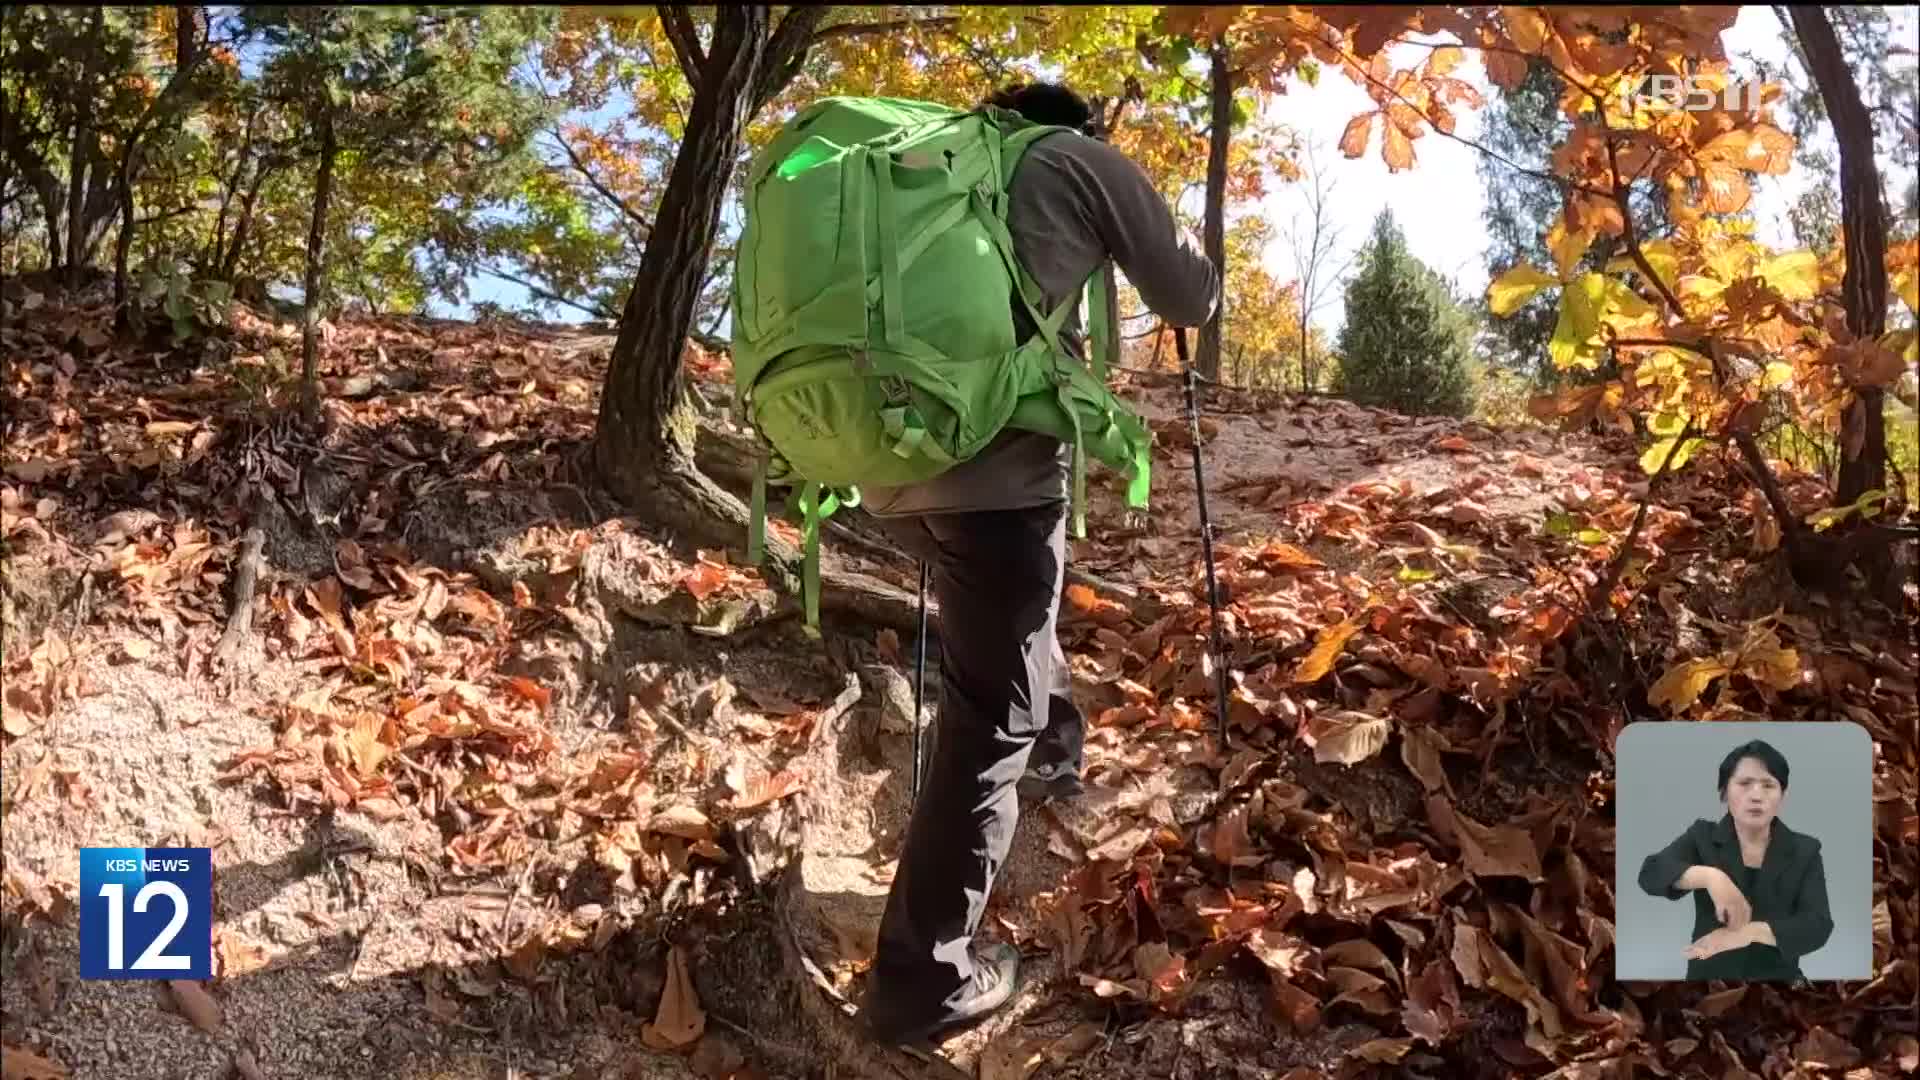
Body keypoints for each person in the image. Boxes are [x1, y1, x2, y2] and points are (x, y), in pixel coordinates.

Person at [856, 81, 1220, 1045]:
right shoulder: (1076, 160)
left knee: (1004, 640)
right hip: (997, 480)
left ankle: (1053, 746)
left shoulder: (927, 166)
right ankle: (920, 978)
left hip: (886, 473)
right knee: (989, 716)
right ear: (1075, 124)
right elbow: (1188, 293)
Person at [1636, 739, 1834, 982]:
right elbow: (1651, 873)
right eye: (1744, 784)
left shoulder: (1805, 850)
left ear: (1782, 795)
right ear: (1724, 791)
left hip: (1777, 983)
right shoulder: (1702, 836)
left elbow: (1818, 925)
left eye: (1768, 785)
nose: (1756, 796)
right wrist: (1711, 877)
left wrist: (1748, 933)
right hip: (1709, 981)